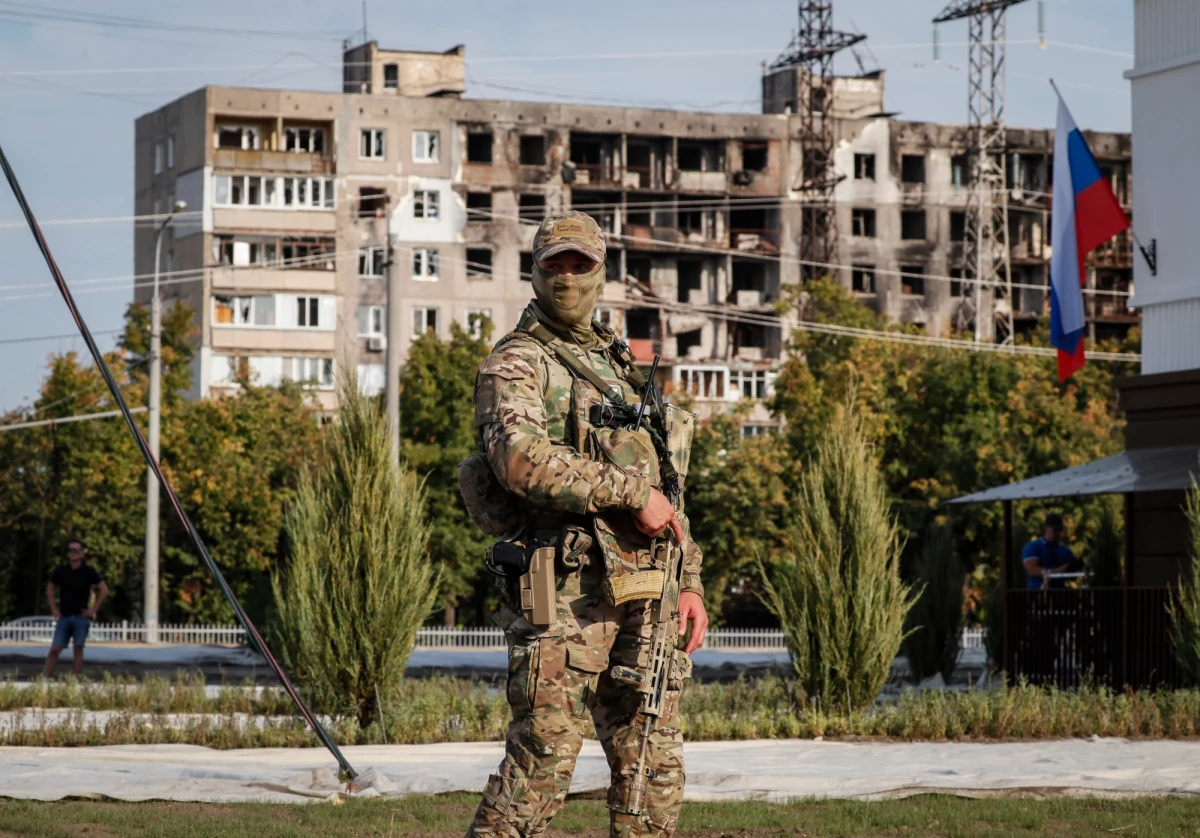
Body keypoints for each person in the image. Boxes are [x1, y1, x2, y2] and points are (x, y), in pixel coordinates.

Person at [464, 211, 709, 838]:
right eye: (555, 265)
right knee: (540, 766)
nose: (567, 277)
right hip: (566, 595)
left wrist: (691, 582)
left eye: (580, 265)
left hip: (647, 592)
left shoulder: (619, 363)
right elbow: (519, 459)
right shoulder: (518, 361)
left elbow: (671, 489)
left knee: (652, 771)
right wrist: (630, 493)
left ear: (601, 271)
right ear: (537, 272)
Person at [43, 539, 108, 678]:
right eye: (71, 550)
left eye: (76, 550)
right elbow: (50, 588)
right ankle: (44, 678)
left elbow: (104, 589)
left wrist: (93, 610)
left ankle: (75, 679)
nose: (73, 553)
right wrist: (54, 608)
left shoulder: (88, 571)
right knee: (55, 648)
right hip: (64, 616)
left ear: (82, 554)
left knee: (78, 649)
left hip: (81, 617)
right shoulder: (61, 571)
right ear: (67, 554)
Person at [1022, 513, 1077, 590]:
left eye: (1059, 530)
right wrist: (1059, 570)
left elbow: (1072, 577)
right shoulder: (1034, 546)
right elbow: (1032, 570)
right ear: (1046, 528)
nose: (1058, 533)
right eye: (1055, 530)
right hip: (1037, 593)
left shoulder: (1065, 550)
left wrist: (1075, 568)